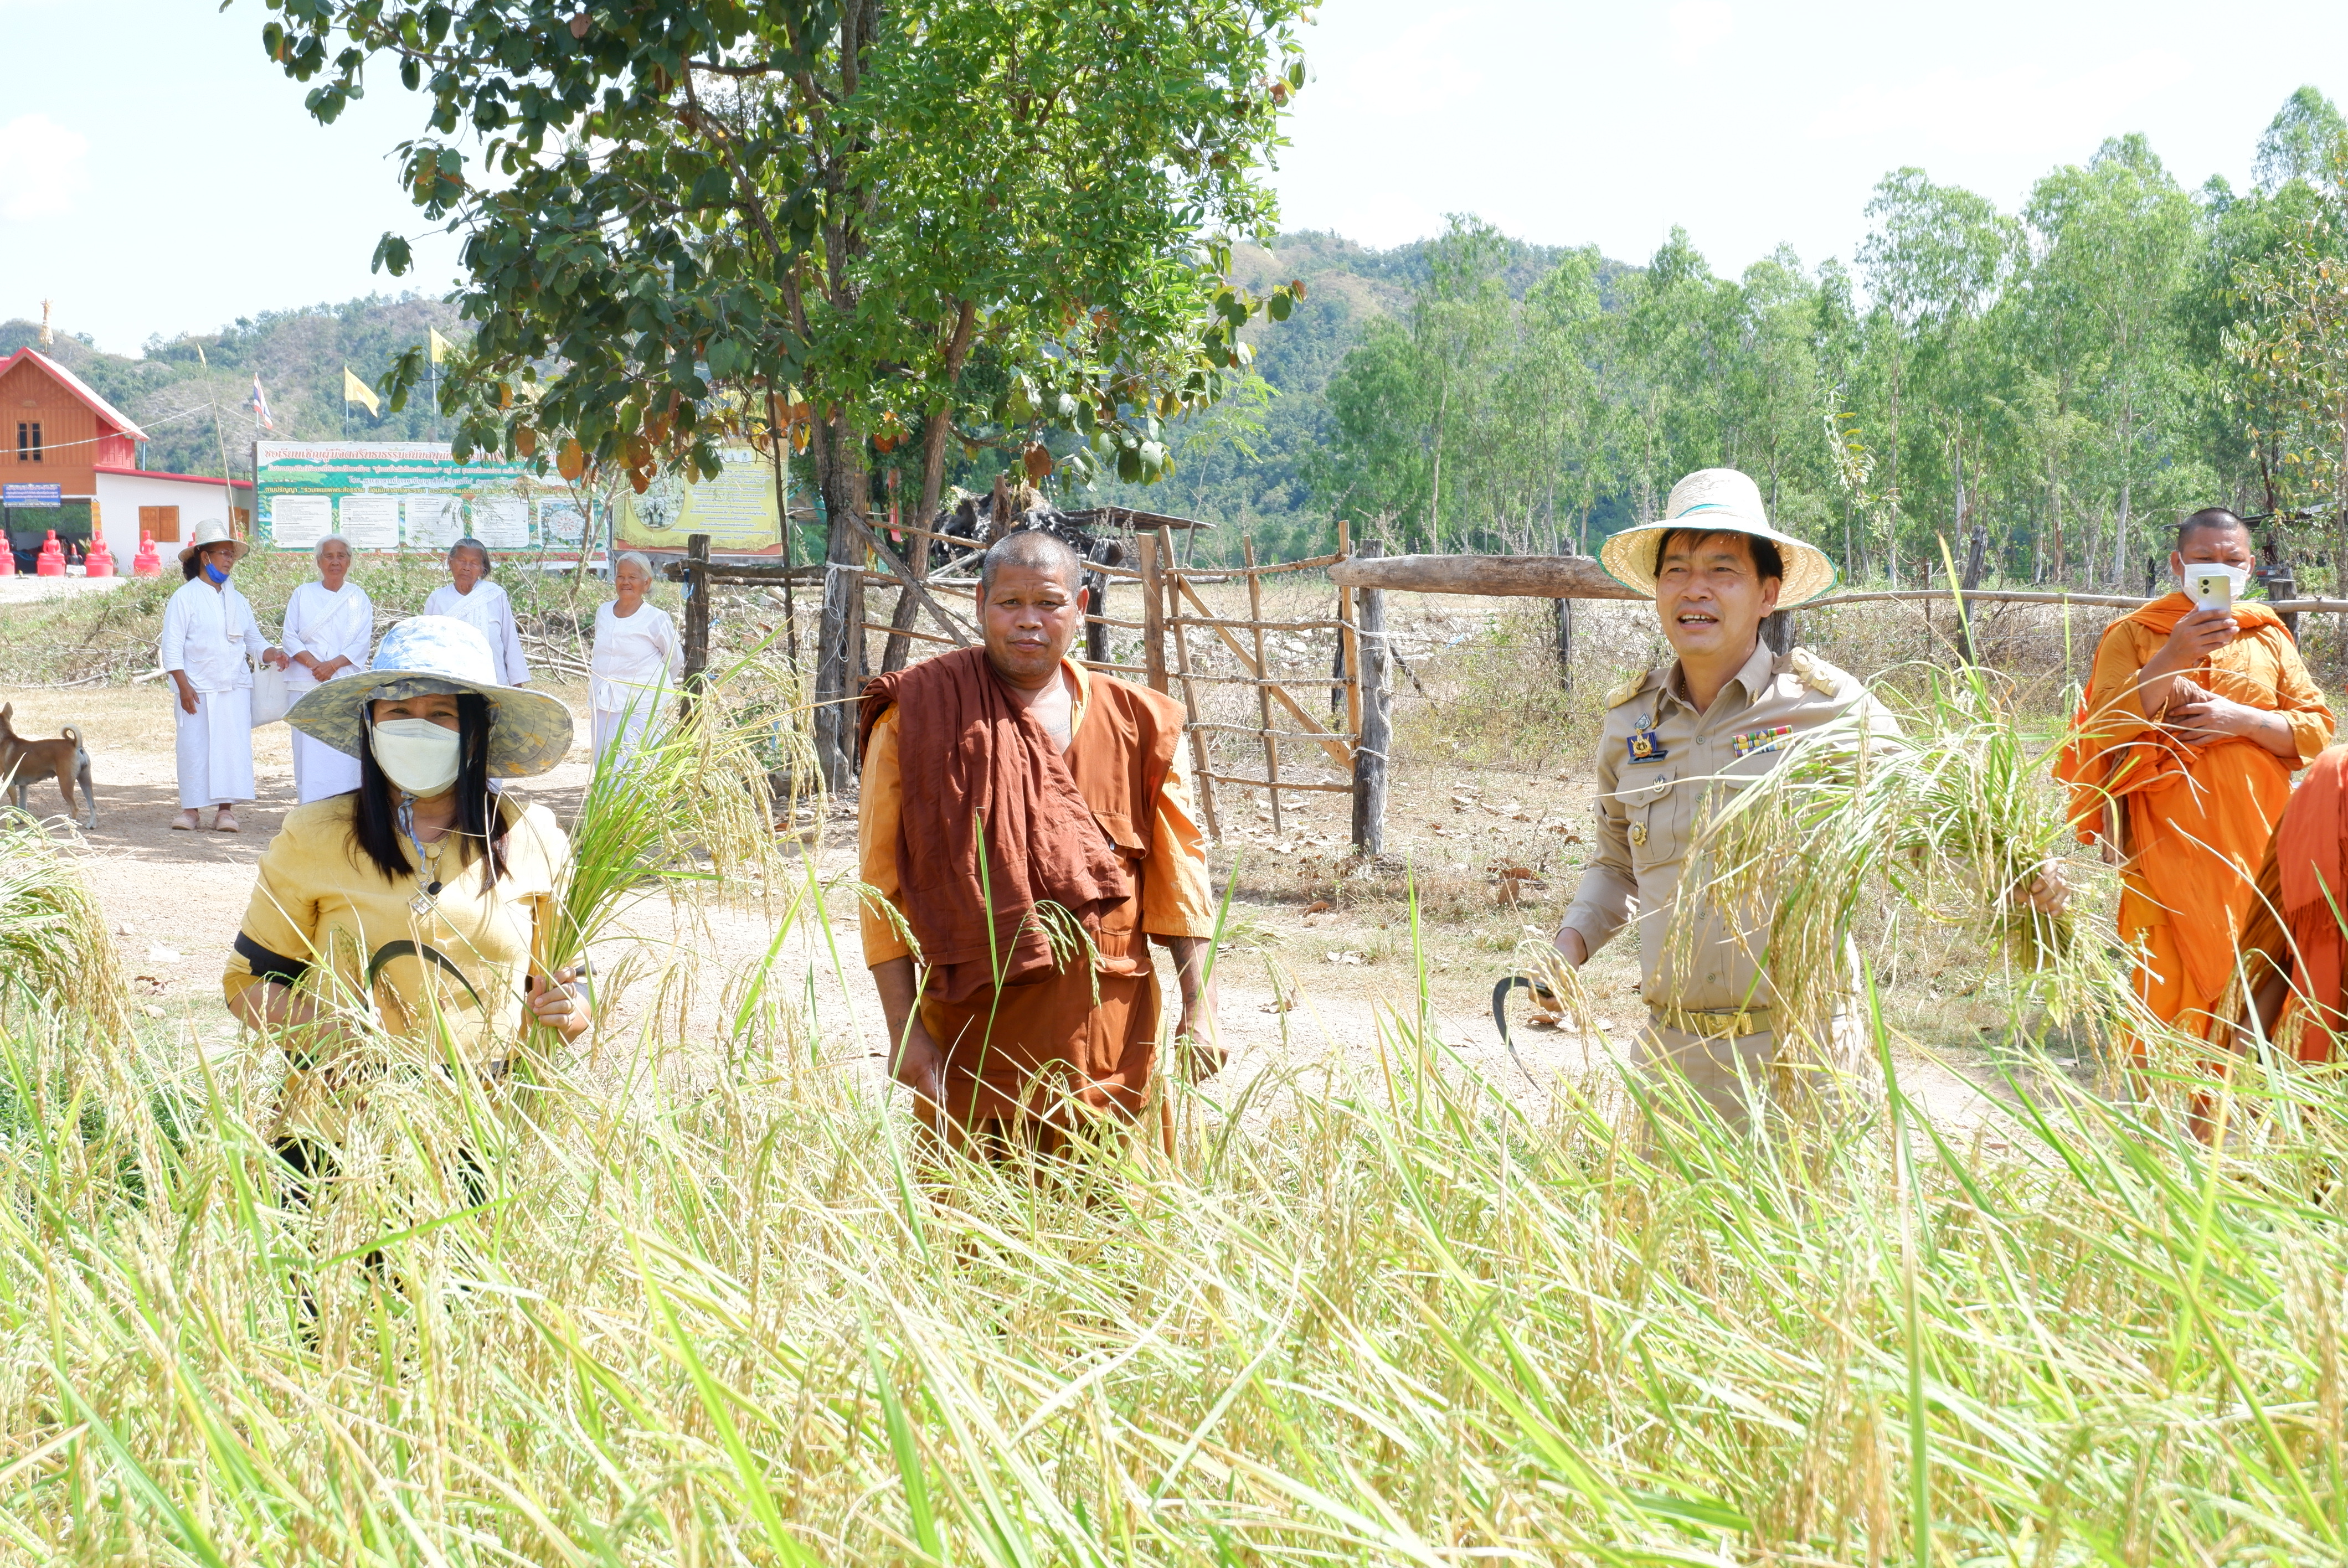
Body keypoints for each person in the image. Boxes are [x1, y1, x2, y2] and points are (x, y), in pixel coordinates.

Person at [1551, 468, 2068, 1128]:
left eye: (1721, 570)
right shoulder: (1630, 725)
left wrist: (2018, 869)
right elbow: (1617, 865)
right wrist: (1565, 950)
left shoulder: (1828, 710)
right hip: (1673, 1061)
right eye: (1675, 570)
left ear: (1768, 594)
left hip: (1805, 1058)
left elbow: (1933, 816)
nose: (1695, 589)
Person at [858, 528, 1221, 1157]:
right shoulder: (917, 718)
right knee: (974, 1240)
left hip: (1113, 1042)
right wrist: (903, 1032)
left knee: (1116, 1238)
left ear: (1079, 608)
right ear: (979, 603)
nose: (1029, 621)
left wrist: (1202, 1005)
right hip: (974, 1045)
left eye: (1049, 603)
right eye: (1009, 604)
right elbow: (880, 889)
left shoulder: (1139, 723)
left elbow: (1181, 876)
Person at [222, 616, 588, 1157]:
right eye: (398, 713)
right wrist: (327, 1028)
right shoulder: (314, 835)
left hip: (483, 1139)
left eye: (442, 715)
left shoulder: (533, 836)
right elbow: (246, 984)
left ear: (475, 731)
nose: (418, 728)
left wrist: (574, 1011)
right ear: (370, 725)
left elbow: (571, 982)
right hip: (339, 1139)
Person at [2056, 507, 2333, 1058]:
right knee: (2168, 969)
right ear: (2178, 563)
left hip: (2261, 843)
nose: (2219, 570)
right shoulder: (2134, 635)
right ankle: (2166, 1108)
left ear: (2250, 566)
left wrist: (2243, 720)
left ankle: (2250, 1097)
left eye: (2231, 561)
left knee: (2259, 965)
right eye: (2205, 560)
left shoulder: (2268, 638)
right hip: (2164, 843)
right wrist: (2173, 656)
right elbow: (2106, 730)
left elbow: (2317, 730)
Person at [159, 519, 287, 833]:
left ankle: (225, 812)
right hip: (197, 688)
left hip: (234, 686)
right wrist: (184, 687)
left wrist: (275, 654)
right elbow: (171, 648)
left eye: (232, 554)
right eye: (223, 553)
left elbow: (254, 641)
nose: (229, 560)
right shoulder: (184, 598)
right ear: (205, 557)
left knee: (231, 748)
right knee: (194, 746)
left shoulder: (239, 600)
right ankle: (190, 811)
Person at [279, 535, 376, 802]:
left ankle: (346, 803)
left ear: (350, 561)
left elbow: (362, 641)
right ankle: (309, 804)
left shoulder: (359, 597)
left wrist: (332, 666)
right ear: (319, 561)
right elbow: (290, 637)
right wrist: (315, 666)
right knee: (307, 748)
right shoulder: (303, 594)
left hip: (344, 682)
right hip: (305, 681)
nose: (335, 561)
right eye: (329, 556)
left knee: (344, 748)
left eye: (341, 556)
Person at [589, 551, 683, 766]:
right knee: (604, 761)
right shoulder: (603, 612)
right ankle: (607, 801)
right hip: (604, 702)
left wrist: (652, 686)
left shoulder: (656, 618)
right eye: (621, 576)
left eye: (633, 577)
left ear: (646, 582)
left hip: (642, 705)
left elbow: (674, 659)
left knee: (636, 764)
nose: (626, 582)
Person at [421, 538, 531, 687]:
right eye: (461, 561)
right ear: (450, 562)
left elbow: (510, 641)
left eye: (474, 563)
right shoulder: (437, 599)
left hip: (494, 683)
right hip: (450, 684)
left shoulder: (495, 596)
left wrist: (516, 686)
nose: (467, 567)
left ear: (482, 569)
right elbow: (427, 645)